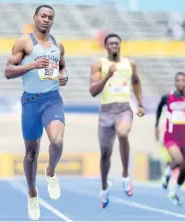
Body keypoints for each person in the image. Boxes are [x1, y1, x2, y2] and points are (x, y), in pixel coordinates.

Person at [4, 5, 68, 220]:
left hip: (52, 100)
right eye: (43, 16)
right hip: (31, 102)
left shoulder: (58, 45)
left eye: (50, 17)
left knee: (57, 141)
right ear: (35, 17)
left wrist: (64, 76)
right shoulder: (24, 42)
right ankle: (32, 194)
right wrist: (32, 66)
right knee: (31, 153)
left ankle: (50, 172)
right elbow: (8, 71)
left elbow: (62, 68)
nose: (47, 19)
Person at [89, 33, 145, 208]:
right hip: (105, 112)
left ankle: (126, 176)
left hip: (123, 109)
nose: (114, 46)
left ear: (120, 45)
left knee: (123, 133)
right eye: (110, 44)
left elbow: (136, 82)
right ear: (105, 47)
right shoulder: (99, 64)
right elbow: (92, 91)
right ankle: (104, 187)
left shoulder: (130, 64)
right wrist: (107, 76)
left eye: (116, 43)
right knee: (105, 154)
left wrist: (140, 104)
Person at [155, 72, 185, 205]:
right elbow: (159, 108)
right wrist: (156, 126)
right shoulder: (168, 97)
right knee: (178, 160)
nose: (180, 83)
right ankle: (167, 173)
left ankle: (175, 192)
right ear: (174, 82)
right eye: (178, 80)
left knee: (184, 167)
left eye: (183, 80)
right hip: (171, 136)